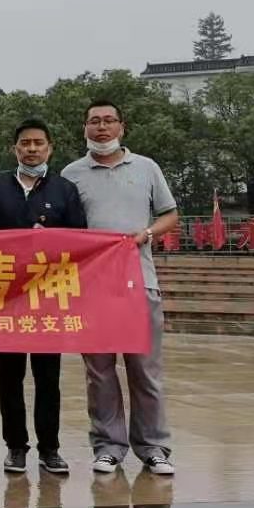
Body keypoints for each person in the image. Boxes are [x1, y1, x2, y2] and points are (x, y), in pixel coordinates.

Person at [61, 99, 180, 477]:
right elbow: (63, 228)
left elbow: (170, 214)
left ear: (121, 127)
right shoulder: (71, 174)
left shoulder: (146, 168)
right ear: (85, 128)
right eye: (94, 121)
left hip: (139, 282)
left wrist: (146, 233)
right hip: (91, 287)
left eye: (109, 120)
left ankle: (154, 447)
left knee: (145, 370)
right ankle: (108, 446)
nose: (102, 127)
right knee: (99, 373)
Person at [0, 119, 87, 476]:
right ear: (15, 149)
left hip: (48, 298)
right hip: (7, 297)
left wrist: (52, 238)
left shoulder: (65, 189)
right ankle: (15, 447)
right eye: (25, 143)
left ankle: (50, 448)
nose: (31, 149)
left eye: (38, 143)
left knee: (48, 378)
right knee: (9, 377)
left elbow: (80, 239)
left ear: (49, 148)